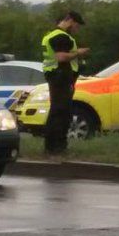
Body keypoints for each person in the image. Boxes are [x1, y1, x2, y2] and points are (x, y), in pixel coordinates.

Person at [40, 11, 89, 156]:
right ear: (69, 20)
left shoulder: (51, 34)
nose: (77, 28)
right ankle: (56, 147)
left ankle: (53, 146)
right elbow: (61, 57)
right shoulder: (60, 36)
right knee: (60, 112)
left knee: (58, 111)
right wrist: (79, 52)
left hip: (56, 75)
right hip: (60, 76)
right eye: (76, 25)